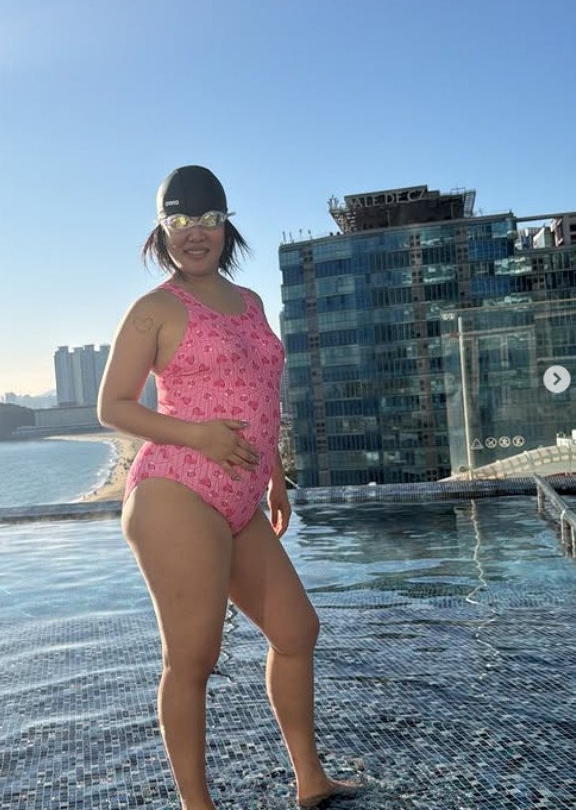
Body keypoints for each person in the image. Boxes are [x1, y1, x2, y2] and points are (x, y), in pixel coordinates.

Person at [97, 165, 363, 810]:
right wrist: (199, 436)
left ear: (226, 225)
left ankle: (310, 781)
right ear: (162, 231)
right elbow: (113, 407)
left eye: (208, 220)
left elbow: (260, 392)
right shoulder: (155, 309)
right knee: (193, 657)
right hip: (177, 491)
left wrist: (274, 478)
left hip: (243, 498)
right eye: (180, 221)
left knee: (296, 631)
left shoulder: (251, 303)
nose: (195, 233)